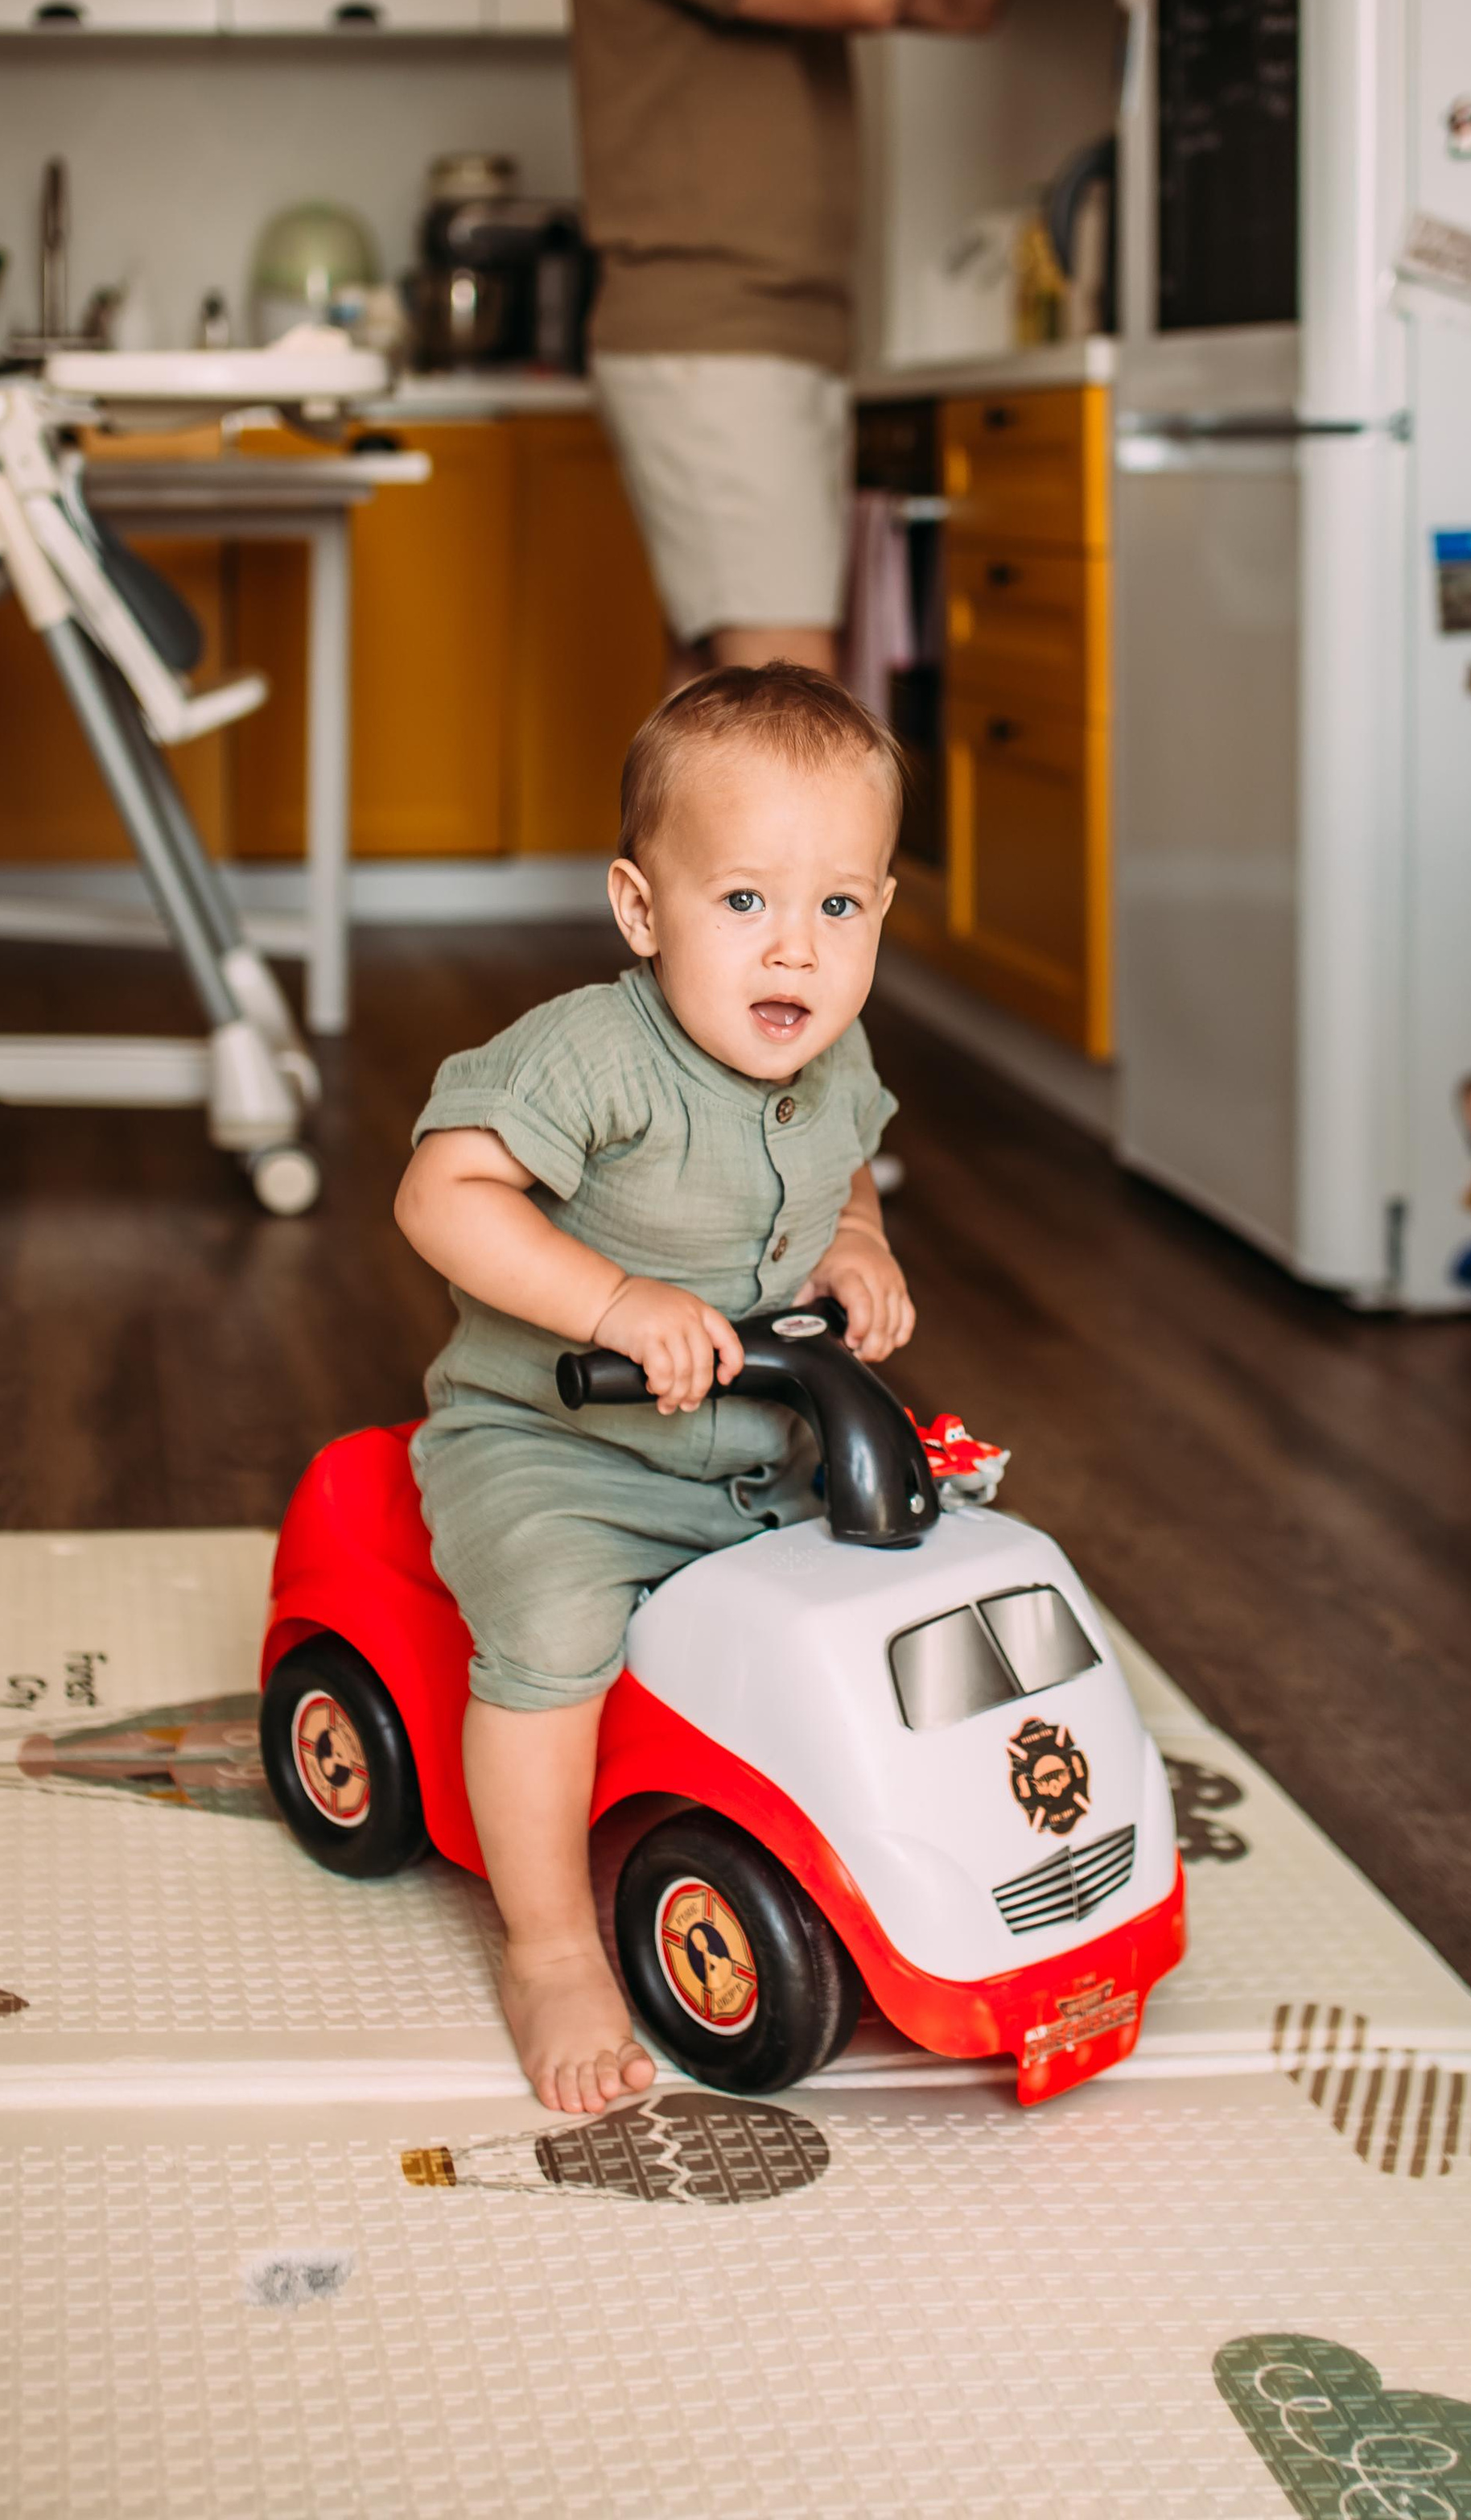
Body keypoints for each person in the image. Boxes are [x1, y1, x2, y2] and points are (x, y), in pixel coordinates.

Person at [394, 663, 917, 2112]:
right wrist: (612, 1300)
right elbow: (444, 1193)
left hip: (757, 1439)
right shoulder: (591, 1051)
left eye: (838, 907)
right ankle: (551, 1941)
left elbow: (848, 1158)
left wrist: (860, 1237)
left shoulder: (833, 1048)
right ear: (643, 910)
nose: (794, 954)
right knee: (558, 1626)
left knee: (895, 1585)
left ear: (880, 913)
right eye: (745, 901)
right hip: (556, 1439)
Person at [570, 0, 1085, 690]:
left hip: (772, 342)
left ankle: (682, 876)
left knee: (721, 708)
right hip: (712, 345)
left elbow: (958, 1)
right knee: (788, 709)